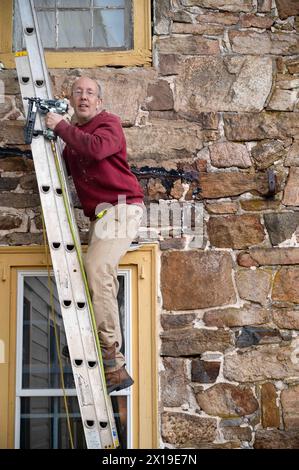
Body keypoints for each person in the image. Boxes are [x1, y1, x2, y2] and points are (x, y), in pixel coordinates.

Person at [45, 76, 144, 393]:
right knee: (84, 275)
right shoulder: (74, 138)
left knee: (98, 269)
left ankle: (112, 359)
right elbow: (63, 169)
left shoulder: (108, 124)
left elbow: (99, 150)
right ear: (72, 100)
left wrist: (60, 127)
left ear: (99, 101)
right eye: (78, 92)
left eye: (90, 93)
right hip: (100, 216)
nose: (84, 97)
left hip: (121, 208)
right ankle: (86, 340)